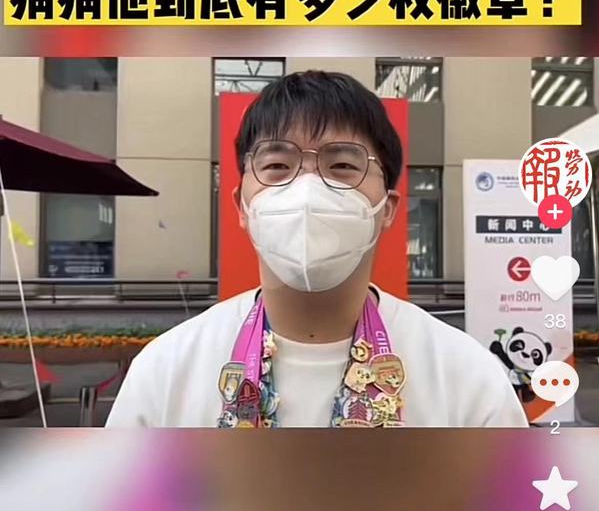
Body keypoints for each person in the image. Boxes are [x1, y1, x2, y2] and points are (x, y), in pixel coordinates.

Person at [106, 70, 528, 429]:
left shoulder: (467, 379)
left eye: (342, 166)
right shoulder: (166, 372)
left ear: (387, 209)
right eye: (277, 166)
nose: (307, 190)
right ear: (241, 207)